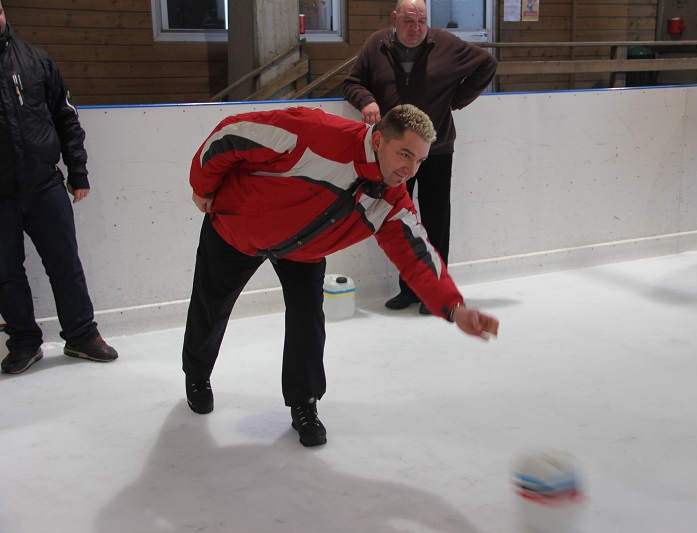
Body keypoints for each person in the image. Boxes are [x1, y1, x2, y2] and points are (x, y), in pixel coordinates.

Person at [182, 104, 499, 447]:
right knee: (211, 304)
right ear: (378, 140)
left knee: (308, 320)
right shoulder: (313, 133)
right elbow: (232, 134)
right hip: (236, 228)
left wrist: (455, 308)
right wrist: (203, 186)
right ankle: (197, 375)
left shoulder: (391, 201)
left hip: (303, 252)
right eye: (405, 154)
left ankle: (304, 403)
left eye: (420, 160)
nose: (410, 170)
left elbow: (417, 255)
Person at [343, 0, 498, 314]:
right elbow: (352, 82)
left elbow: (487, 64)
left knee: (436, 221)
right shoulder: (376, 45)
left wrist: (453, 101)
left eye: (421, 21)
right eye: (408, 21)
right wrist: (366, 100)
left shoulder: (447, 45)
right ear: (394, 18)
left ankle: (436, 293)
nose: (415, 29)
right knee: (400, 219)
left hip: (435, 150)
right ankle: (409, 290)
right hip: (394, 153)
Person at [0, 2, 118, 374]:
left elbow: (66, 117)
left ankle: (82, 336)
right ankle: (24, 343)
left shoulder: (36, 61)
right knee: (5, 274)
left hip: (45, 186)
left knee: (65, 265)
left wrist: (78, 172)